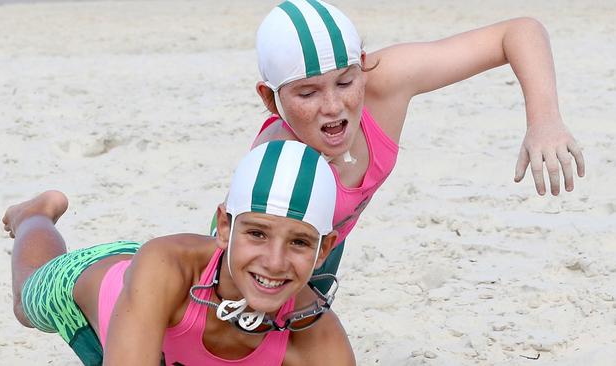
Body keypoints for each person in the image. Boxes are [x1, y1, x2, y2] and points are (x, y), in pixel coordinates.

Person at [247, 0, 586, 286]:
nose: (333, 106)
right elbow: (240, 264)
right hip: (272, 260)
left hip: (328, 243)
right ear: (270, 99)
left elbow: (518, 31)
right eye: (308, 93)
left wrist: (543, 119)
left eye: (346, 82)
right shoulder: (279, 162)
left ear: (363, 66)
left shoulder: (385, 81)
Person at [3, 140, 356, 366]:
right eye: (257, 233)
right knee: (26, 302)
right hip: (99, 290)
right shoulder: (165, 265)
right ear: (224, 227)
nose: (275, 262)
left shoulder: (321, 342)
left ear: (324, 248)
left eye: (299, 242)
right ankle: (33, 215)